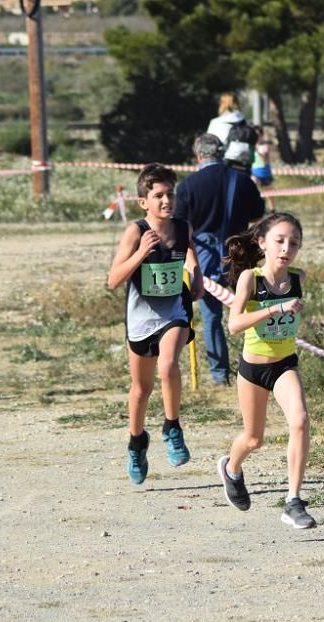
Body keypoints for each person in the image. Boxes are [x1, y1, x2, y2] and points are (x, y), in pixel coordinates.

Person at [217, 212, 316, 529]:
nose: (287, 248)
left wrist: (287, 312)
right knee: (254, 438)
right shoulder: (252, 279)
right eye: (280, 241)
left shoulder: (298, 279)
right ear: (262, 243)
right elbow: (233, 325)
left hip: (284, 364)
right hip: (253, 369)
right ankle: (231, 468)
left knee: (300, 420)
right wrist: (275, 308)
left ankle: (293, 501)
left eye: (294, 243)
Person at [107, 163, 204, 485]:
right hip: (140, 319)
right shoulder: (136, 231)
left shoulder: (181, 226)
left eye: (170, 194)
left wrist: (197, 273)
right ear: (143, 202)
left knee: (168, 366)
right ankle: (136, 443)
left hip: (173, 312)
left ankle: (172, 427)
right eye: (159, 195)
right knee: (141, 389)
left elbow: (189, 252)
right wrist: (141, 253)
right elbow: (113, 280)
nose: (166, 201)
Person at [173, 134, 266, 385]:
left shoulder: (187, 186)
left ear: (198, 156)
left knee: (211, 317)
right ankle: (257, 364)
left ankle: (219, 374)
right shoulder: (242, 180)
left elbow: (179, 225)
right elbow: (258, 212)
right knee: (253, 309)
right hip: (239, 253)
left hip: (204, 256)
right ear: (221, 153)